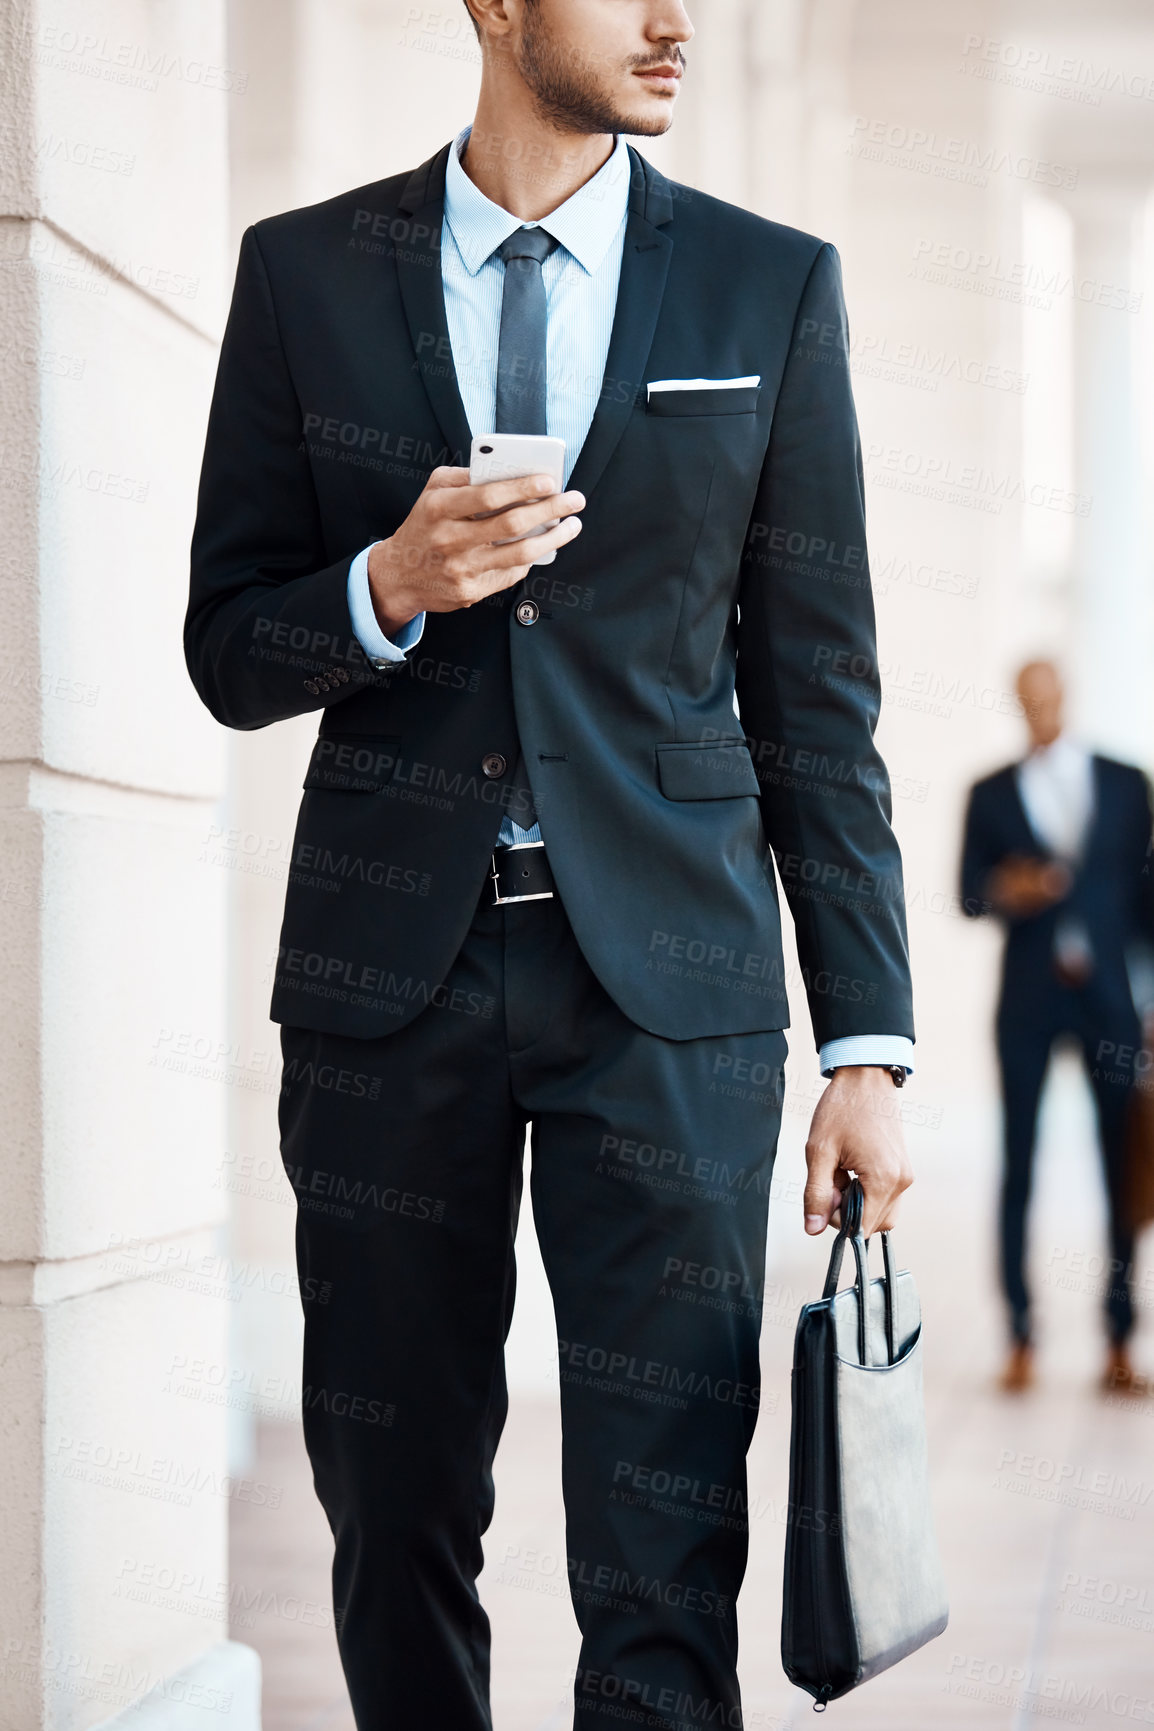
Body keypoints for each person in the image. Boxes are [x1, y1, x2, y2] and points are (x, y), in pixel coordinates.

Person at [185, 1, 916, 1723]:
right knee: (392, 1513)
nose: (674, 22)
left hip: (668, 1006)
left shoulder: (766, 287)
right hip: (386, 994)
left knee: (662, 1546)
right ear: (494, 7)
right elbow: (227, 647)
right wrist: (384, 586)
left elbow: (816, 700)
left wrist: (864, 1045)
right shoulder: (303, 274)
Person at [961, 660, 1154, 1396]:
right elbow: (970, 894)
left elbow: (1146, 900)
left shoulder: (1126, 782)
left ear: (1067, 696)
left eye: (1050, 697)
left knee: (1121, 1165)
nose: (1040, 710)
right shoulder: (989, 792)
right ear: (1017, 704)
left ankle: (1119, 1337)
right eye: (1027, 701)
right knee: (1018, 1162)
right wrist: (1004, 889)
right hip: (1028, 1002)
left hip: (1109, 999)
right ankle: (1018, 1334)